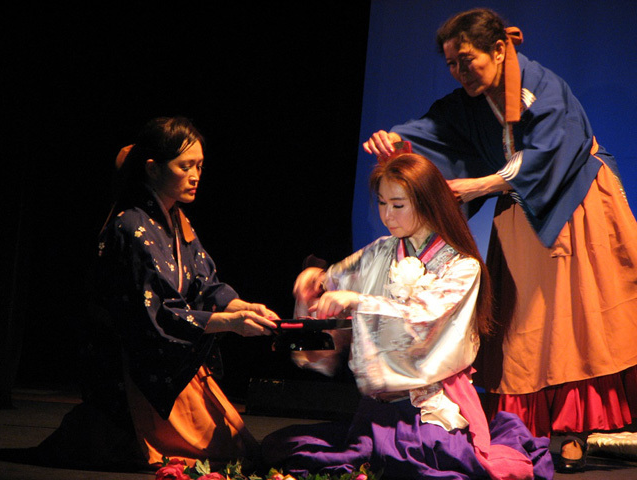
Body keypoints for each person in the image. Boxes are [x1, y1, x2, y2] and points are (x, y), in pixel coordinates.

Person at [363, 7, 637, 471]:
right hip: (522, 212)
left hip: (574, 203)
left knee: (577, 320)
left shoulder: (543, 86)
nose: (459, 71)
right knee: (525, 327)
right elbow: (435, 132)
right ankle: (530, 430)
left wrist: (482, 185)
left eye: (467, 59)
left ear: (498, 49)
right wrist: (392, 140)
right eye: (451, 64)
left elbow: (553, 151)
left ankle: (574, 431)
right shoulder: (470, 103)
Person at [261, 153, 554, 479]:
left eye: (398, 205)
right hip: (378, 408)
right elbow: (335, 280)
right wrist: (314, 283)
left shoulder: (462, 266)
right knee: (288, 450)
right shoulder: (381, 250)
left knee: (415, 467)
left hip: (432, 404)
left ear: (428, 203)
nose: (387, 215)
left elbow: (425, 318)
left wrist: (358, 302)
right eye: (382, 203)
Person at [32, 116, 279, 471]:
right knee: (217, 457)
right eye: (185, 166)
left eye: (199, 166)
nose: (195, 175)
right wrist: (231, 323)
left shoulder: (178, 221)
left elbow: (205, 283)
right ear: (152, 168)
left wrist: (243, 307)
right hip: (136, 369)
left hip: (168, 362)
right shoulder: (130, 226)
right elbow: (158, 314)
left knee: (242, 450)